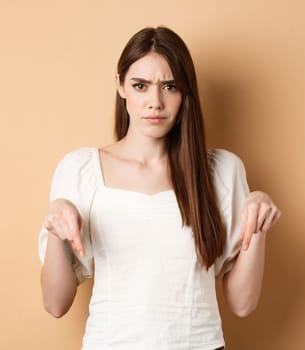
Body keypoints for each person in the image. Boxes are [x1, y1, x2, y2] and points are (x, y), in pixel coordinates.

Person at [38, 26, 281, 349]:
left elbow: (242, 304)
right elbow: (56, 304)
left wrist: (258, 225)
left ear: (185, 93)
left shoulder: (221, 171)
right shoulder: (80, 170)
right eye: (140, 86)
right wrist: (55, 226)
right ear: (120, 86)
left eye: (170, 86)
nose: (155, 102)